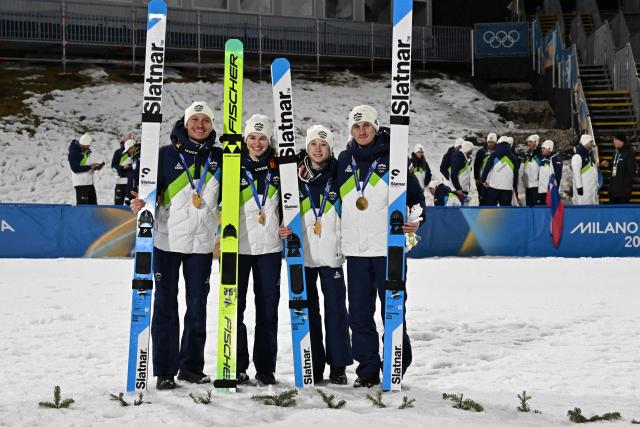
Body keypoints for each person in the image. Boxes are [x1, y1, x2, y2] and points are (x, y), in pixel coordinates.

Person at [130, 101, 222, 390]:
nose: (199, 125)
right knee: (166, 305)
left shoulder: (221, 157)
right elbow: (141, 189)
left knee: (197, 305)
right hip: (166, 241)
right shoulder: (164, 155)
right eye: (194, 120)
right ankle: (166, 370)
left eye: (205, 121)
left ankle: (191, 367)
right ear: (185, 123)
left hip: (202, 244)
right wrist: (138, 203)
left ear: (211, 126)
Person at [336, 105, 426, 388]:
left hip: (389, 250)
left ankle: (396, 362)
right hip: (357, 251)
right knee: (359, 315)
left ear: (376, 128)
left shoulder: (394, 157)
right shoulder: (343, 160)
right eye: (356, 126)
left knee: (393, 310)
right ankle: (367, 370)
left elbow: (416, 198)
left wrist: (418, 220)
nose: (362, 131)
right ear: (350, 130)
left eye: (367, 126)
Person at [278, 124, 353, 385]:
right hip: (303, 255)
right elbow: (280, 208)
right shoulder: (292, 176)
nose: (318, 149)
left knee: (336, 312)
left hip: (332, 254)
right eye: (313, 144)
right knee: (308, 311)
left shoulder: (340, 174)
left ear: (330, 148)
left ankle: (338, 366)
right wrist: (282, 226)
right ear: (307, 147)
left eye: (323, 145)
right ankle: (313, 363)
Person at [236, 113, 282, 386]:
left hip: (269, 248)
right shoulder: (232, 164)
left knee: (267, 310)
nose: (256, 142)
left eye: (262, 137)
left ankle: (265, 368)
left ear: (269, 140)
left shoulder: (281, 166)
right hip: (237, 247)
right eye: (252, 137)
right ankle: (238, 365)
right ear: (244, 139)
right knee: (235, 308)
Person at [480, 135, 519, 206]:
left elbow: (486, 168)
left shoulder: (494, 155)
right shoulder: (514, 158)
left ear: (498, 144)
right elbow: (516, 174)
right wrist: (514, 186)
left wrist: (483, 180)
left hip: (494, 187)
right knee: (506, 211)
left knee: (491, 210)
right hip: (507, 188)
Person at [68, 133, 103, 205]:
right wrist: (90, 167)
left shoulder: (85, 152)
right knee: (82, 207)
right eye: (87, 146)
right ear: (83, 144)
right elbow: (75, 168)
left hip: (89, 183)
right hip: (81, 184)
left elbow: (85, 165)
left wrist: (95, 167)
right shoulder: (73, 153)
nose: (88, 147)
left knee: (93, 206)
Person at [601, 134, 637, 204]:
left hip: (623, 191)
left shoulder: (629, 152)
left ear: (622, 141)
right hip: (613, 189)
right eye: (614, 139)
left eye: (616, 140)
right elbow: (615, 167)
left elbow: (631, 171)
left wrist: (626, 186)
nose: (614, 141)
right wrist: (608, 165)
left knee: (623, 212)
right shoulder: (616, 152)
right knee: (612, 212)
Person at [571, 134, 599, 205]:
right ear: (585, 142)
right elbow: (576, 173)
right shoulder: (577, 156)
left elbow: (593, 171)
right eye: (590, 142)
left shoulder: (590, 155)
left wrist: (596, 184)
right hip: (583, 191)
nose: (592, 144)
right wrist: (579, 187)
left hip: (591, 189)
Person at [111, 131, 136, 205]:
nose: (131, 140)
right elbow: (113, 167)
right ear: (124, 139)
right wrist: (122, 168)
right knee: (118, 204)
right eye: (128, 138)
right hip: (121, 181)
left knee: (131, 205)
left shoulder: (136, 152)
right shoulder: (118, 152)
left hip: (133, 182)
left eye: (132, 138)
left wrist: (132, 166)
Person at [537, 139, 563, 205]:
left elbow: (557, 176)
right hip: (542, 191)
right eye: (542, 148)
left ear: (549, 149)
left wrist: (552, 190)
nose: (542, 150)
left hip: (550, 191)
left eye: (544, 148)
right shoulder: (543, 159)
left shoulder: (555, 160)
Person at [473, 132, 496, 205]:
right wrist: (477, 179)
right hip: (482, 181)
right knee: (482, 202)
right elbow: (476, 166)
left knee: (493, 202)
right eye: (489, 142)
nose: (490, 144)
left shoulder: (498, 152)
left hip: (494, 181)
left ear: (495, 142)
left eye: (492, 142)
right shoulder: (481, 152)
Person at [449, 140, 474, 205]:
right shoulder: (458, 158)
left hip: (463, 191)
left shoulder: (464, 158)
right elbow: (453, 174)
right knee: (458, 212)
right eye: (471, 150)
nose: (472, 152)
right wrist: (458, 188)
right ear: (467, 149)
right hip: (458, 191)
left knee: (463, 211)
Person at [521, 134, 542, 207]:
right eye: (528, 142)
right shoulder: (528, 153)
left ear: (535, 142)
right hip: (528, 184)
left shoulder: (540, 153)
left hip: (536, 184)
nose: (528, 143)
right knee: (528, 205)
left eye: (530, 142)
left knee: (535, 205)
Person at [123, 138, 140, 205]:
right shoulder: (135, 156)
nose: (128, 152)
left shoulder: (140, 155)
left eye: (128, 150)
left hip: (140, 188)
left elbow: (137, 172)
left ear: (132, 147)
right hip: (136, 188)